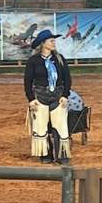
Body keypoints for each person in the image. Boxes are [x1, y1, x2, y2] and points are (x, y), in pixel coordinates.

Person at [24, 30, 72, 165]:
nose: (54, 43)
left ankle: (62, 156)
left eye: (53, 40)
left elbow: (67, 78)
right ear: (43, 44)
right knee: (41, 126)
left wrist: (65, 95)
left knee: (60, 126)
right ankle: (45, 155)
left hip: (57, 95)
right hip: (40, 96)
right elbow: (28, 80)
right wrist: (30, 99)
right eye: (51, 41)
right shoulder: (33, 61)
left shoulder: (59, 59)